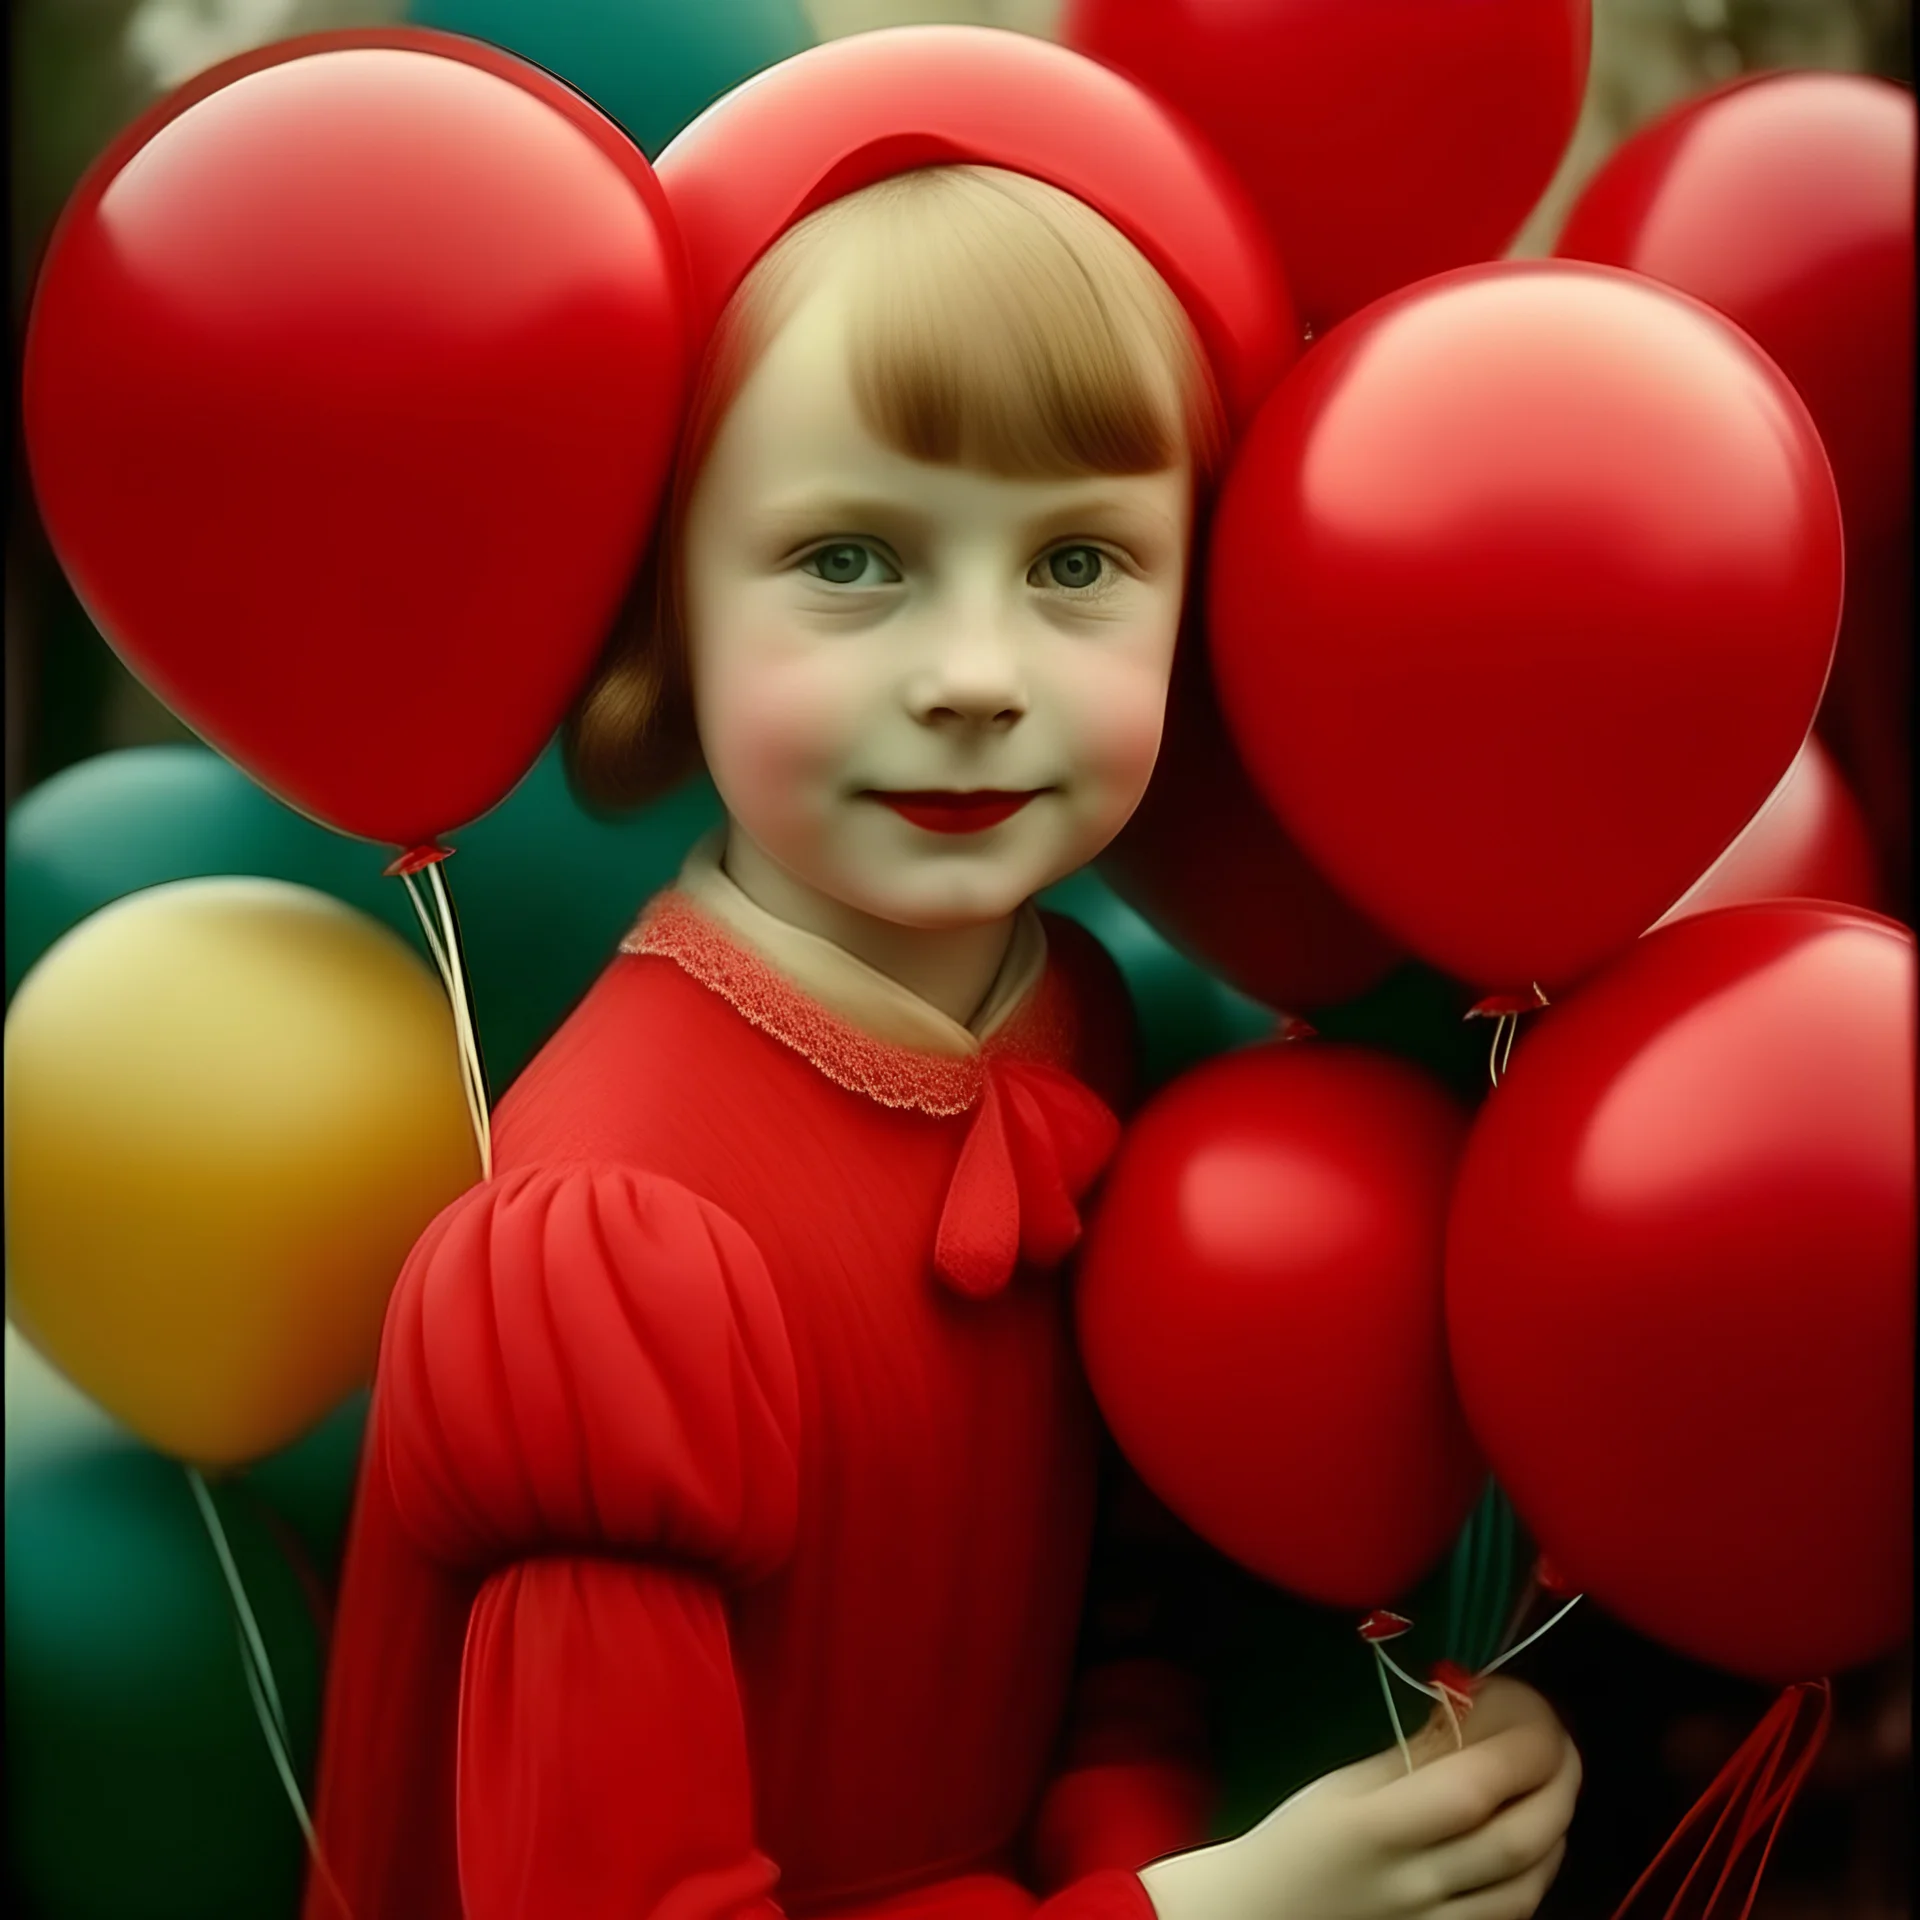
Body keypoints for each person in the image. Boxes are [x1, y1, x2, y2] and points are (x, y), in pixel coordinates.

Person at [302, 31, 1580, 1920]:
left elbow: (1103, 1640)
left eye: (1078, 564)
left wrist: (1193, 1843)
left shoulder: (1076, 1018)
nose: (975, 670)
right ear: (675, 595)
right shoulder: (613, 1244)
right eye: (849, 557)